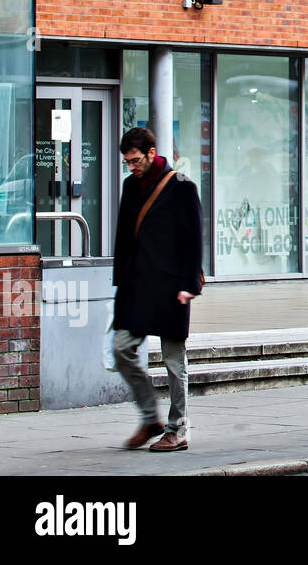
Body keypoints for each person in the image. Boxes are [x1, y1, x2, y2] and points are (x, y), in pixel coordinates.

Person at [112, 127, 203, 452]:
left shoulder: (181, 186)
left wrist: (189, 285)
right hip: (137, 286)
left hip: (171, 287)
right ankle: (150, 416)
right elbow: (124, 237)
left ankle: (177, 429)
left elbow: (194, 240)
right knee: (122, 349)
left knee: (174, 361)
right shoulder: (130, 186)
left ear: (152, 153)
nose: (131, 166)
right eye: (127, 162)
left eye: (135, 160)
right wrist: (120, 284)